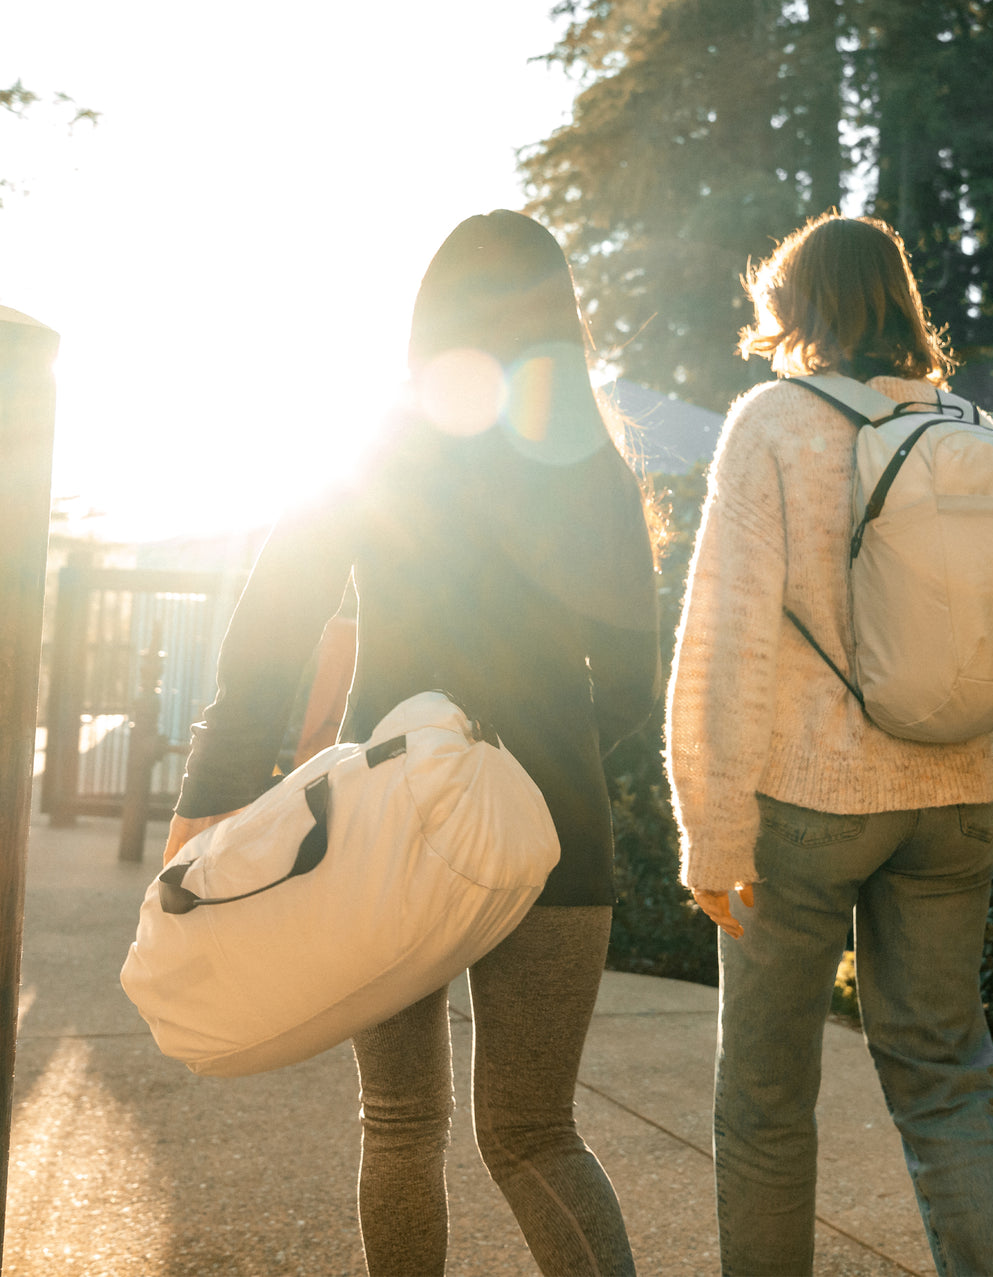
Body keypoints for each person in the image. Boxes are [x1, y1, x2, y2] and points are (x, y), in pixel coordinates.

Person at [164, 210, 661, 1277]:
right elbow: (630, 684)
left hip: (387, 820)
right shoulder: (596, 467)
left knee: (398, 1121)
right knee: (534, 1132)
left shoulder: (382, 446)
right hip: (555, 826)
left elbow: (275, 621)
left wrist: (212, 785)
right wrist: (536, 757)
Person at [666, 210, 993, 1277]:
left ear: (793, 304)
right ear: (900, 299)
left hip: (807, 806)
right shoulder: (973, 426)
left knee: (763, 1102)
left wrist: (711, 831)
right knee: (948, 1088)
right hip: (954, 797)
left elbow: (726, 638)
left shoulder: (773, 423)